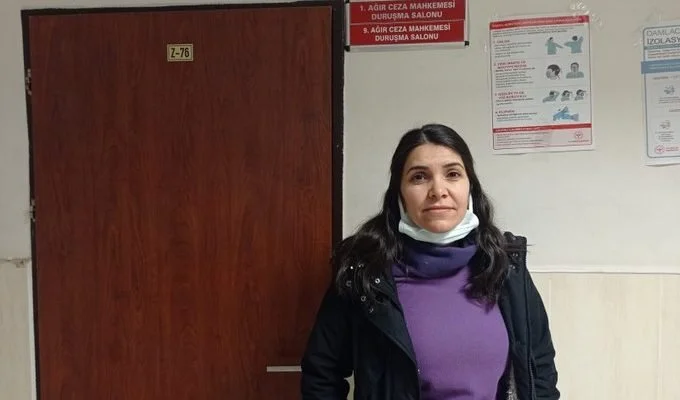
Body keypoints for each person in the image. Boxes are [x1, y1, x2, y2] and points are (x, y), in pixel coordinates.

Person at [300, 124, 559, 400]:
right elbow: (322, 374)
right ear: (399, 194)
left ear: (470, 187)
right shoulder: (364, 271)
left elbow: (539, 368)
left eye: (453, 174)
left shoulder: (505, 266)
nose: (438, 190)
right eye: (419, 177)